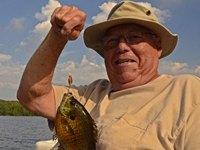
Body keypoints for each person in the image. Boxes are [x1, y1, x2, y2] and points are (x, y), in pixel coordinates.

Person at [17, 1, 200, 149]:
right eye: (112, 41)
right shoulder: (91, 93)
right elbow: (32, 97)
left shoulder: (187, 91)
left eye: (134, 37)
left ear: (158, 46)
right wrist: (58, 35)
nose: (121, 47)